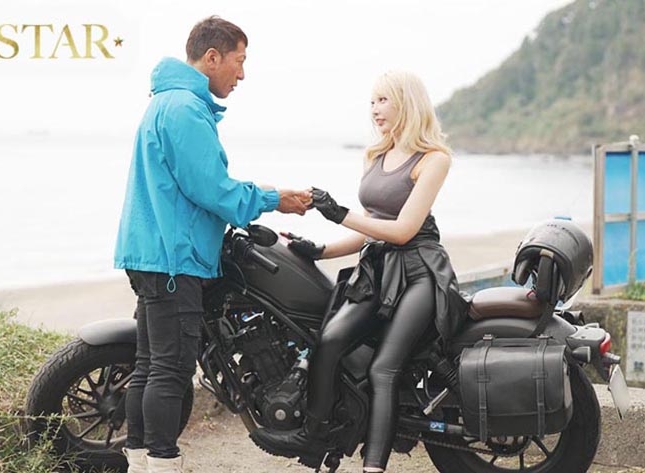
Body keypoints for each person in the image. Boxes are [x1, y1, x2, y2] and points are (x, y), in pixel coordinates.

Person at [113, 16, 311, 473]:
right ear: (212, 57)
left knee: (149, 365)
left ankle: (139, 462)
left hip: (152, 253)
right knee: (170, 370)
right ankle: (162, 463)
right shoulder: (185, 108)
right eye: (239, 61)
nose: (242, 74)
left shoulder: (167, 101)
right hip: (173, 259)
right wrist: (274, 199)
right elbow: (212, 189)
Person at [250, 71, 468, 473]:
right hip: (377, 271)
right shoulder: (375, 156)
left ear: (407, 102)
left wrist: (339, 214)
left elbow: (402, 230)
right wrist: (320, 249)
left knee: (384, 368)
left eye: (383, 100)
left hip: (419, 272)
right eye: (372, 102)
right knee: (330, 339)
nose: (374, 110)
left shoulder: (434, 159)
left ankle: (373, 468)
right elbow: (372, 227)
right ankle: (312, 436)